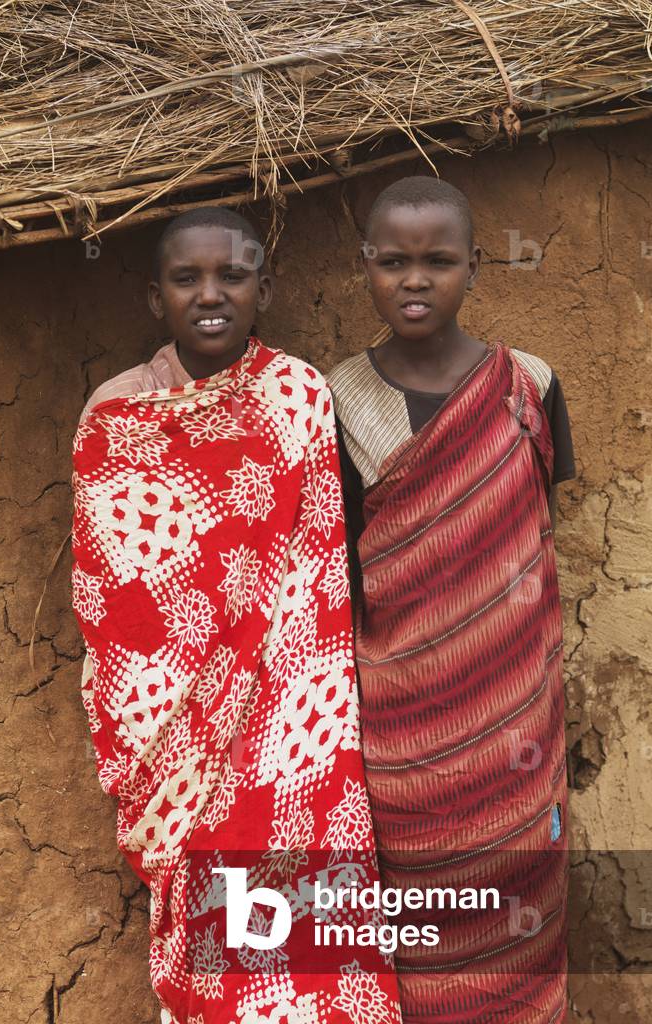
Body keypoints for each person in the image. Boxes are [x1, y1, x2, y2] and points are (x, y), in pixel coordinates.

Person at [71, 208, 401, 1024]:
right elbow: (114, 598)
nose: (210, 295)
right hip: (176, 727)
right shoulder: (116, 415)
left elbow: (319, 563)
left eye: (234, 277)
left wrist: (277, 686)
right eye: (187, 280)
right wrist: (187, 688)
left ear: (266, 287)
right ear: (156, 297)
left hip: (294, 722)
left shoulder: (295, 396)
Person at [327, 176, 576, 1023]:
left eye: (438, 261)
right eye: (392, 261)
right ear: (364, 267)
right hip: (402, 735)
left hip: (516, 725)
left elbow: (534, 534)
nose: (414, 280)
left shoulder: (529, 386)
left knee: (521, 934)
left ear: (475, 265)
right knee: (426, 943)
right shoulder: (335, 401)